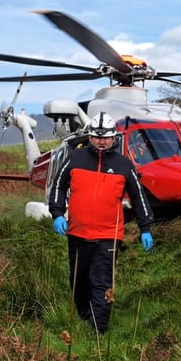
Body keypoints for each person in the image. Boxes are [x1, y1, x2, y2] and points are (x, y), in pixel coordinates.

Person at [48, 112, 154, 334]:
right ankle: (84, 315)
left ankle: (99, 328)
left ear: (113, 137)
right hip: (77, 233)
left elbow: (139, 197)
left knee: (101, 281)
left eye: (106, 137)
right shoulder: (75, 159)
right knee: (78, 282)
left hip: (109, 235)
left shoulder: (124, 165)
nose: (102, 141)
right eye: (97, 136)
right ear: (90, 136)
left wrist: (146, 228)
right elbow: (58, 186)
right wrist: (57, 213)